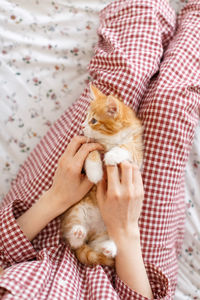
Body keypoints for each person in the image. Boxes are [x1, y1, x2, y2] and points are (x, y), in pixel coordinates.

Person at [0, 0, 199, 299]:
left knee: (121, 81)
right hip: (131, 262)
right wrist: (124, 228)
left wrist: (57, 197)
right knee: (171, 105)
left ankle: (146, 6)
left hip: (44, 228)